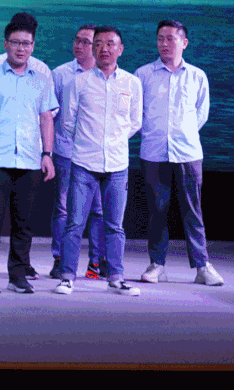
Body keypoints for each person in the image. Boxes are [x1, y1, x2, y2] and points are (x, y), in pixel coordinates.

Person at [0, 15, 58, 294]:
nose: (21, 48)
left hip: (30, 159)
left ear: (33, 46)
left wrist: (47, 154)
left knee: (24, 223)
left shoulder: (41, 78)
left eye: (26, 43)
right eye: (16, 42)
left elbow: (46, 118)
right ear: (6, 44)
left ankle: (18, 275)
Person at [55, 26, 142, 296]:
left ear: (120, 49)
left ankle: (116, 278)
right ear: (93, 49)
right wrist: (89, 141)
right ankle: (67, 277)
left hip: (117, 164)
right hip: (83, 162)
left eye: (110, 43)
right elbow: (67, 122)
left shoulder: (132, 83)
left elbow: (135, 122)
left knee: (115, 226)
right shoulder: (78, 82)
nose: (104, 48)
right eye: (99, 44)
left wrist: (113, 140)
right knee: (74, 223)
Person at [136, 20, 223, 286]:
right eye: (160, 38)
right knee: (157, 210)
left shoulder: (197, 76)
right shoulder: (143, 74)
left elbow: (201, 114)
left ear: (184, 43)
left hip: (188, 153)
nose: (164, 44)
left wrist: (182, 134)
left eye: (170, 39)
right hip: (153, 152)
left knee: (192, 211)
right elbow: (136, 113)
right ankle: (157, 265)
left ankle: (202, 266)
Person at [48, 25, 107, 280]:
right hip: (66, 152)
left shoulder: (105, 76)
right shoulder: (60, 74)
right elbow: (49, 114)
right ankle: (60, 259)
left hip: (96, 155)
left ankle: (97, 262)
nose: (79, 45)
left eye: (86, 42)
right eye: (77, 40)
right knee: (63, 209)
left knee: (98, 210)